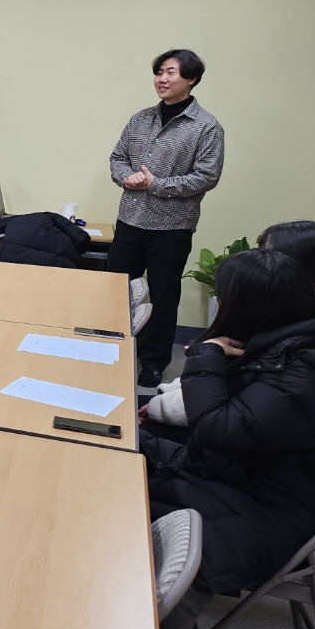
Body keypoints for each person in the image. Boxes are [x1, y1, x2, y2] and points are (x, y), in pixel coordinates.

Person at [143, 248, 315, 629]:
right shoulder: (287, 343)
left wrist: (205, 358)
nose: (219, 305)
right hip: (238, 479)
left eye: (224, 297)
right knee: (122, 448)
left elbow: (218, 430)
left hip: (272, 514)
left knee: (138, 519)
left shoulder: (300, 377)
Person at [143, 219, 315, 428]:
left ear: (292, 268)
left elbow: (220, 421)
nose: (257, 259)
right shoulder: (302, 315)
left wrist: (206, 357)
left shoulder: (290, 333)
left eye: (266, 253)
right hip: (217, 417)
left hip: (221, 427)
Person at [108, 49, 225, 388]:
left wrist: (156, 184)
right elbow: (117, 158)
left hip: (172, 227)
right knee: (115, 290)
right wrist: (126, 176)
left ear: (191, 79)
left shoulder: (206, 126)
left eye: (171, 72)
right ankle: (109, 348)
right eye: (159, 72)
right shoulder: (140, 119)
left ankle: (154, 362)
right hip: (130, 220)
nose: (162, 79)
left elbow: (207, 177)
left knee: (163, 296)